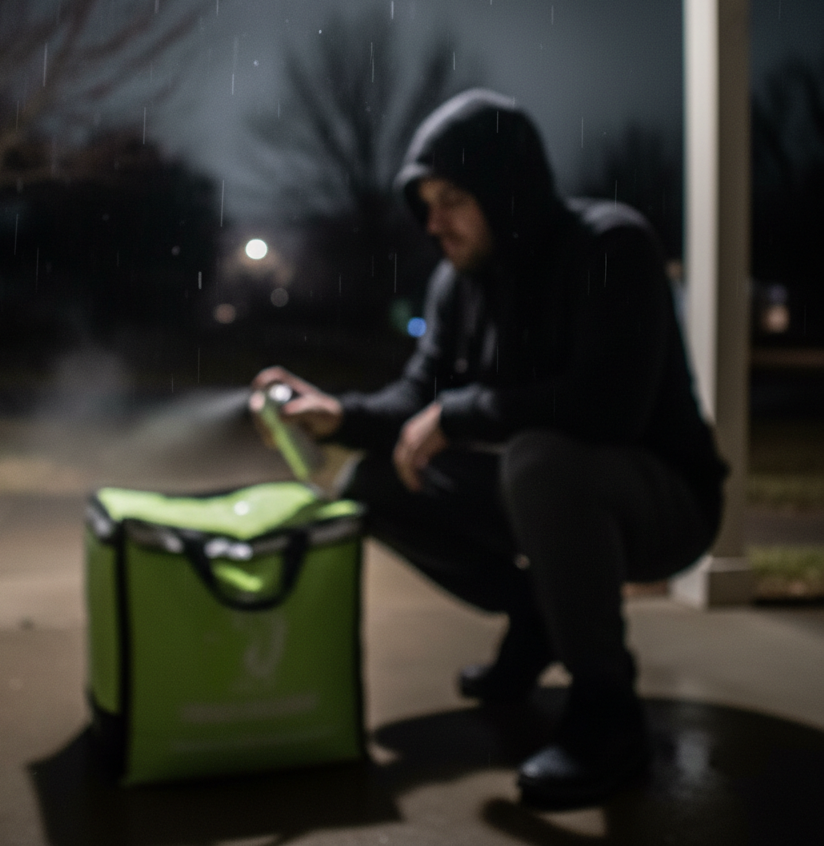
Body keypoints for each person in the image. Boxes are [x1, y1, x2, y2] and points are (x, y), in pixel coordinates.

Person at [251, 89, 727, 811]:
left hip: (663, 504)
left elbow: (609, 409)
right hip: (549, 493)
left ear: (508, 190)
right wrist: (335, 415)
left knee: (541, 459)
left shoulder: (612, 245)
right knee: (373, 485)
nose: (433, 222)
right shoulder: (458, 283)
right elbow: (416, 403)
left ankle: (608, 712)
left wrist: (461, 411)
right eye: (426, 203)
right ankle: (538, 617)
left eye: (453, 198)